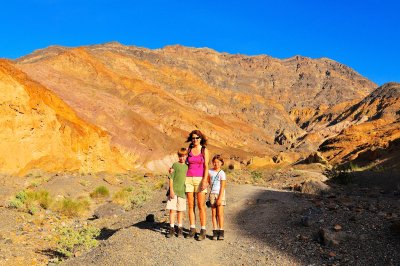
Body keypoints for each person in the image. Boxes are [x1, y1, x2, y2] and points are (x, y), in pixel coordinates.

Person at [185, 130, 209, 240]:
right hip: (188, 179)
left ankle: (203, 230)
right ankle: (192, 229)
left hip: (200, 180)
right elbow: (184, 164)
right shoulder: (188, 150)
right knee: (190, 205)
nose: (195, 140)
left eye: (197, 138)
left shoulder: (204, 150)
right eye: (193, 138)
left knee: (201, 205)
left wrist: (205, 180)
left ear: (201, 139)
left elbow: (207, 167)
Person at [166, 148, 188, 238]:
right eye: (180, 156)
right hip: (174, 191)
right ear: (178, 156)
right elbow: (171, 178)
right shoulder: (175, 165)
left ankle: (179, 228)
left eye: (184, 156)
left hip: (182, 192)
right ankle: (171, 228)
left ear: (186, 156)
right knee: (172, 210)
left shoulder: (187, 167)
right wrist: (171, 190)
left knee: (180, 211)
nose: (182, 158)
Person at [208, 154, 227, 240]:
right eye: (215, 162)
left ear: (221, 163)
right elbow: (208, 181)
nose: (216, 164)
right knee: (213, 213)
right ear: (212, 163)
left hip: (220, 194)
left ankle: (221, 231)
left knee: (220, 214)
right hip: (212, 194)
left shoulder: (222, 173)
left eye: (218, 162)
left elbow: (223, 186)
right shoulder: (209, 171)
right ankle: (215, 231)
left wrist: (219, 197)